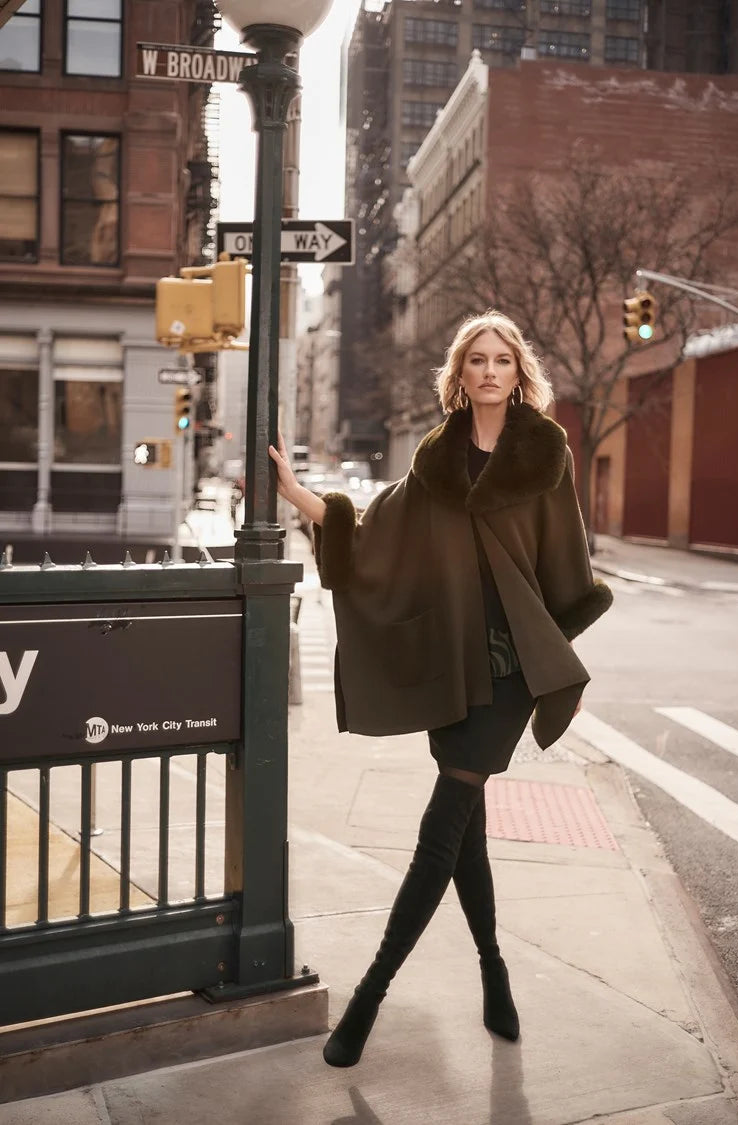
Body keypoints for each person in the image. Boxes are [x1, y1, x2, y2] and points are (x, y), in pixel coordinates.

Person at [269, 310, 613, 1068]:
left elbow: (567, 563)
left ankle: (368, 998)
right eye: (476, 360)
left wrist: (561, 665)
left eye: (501, 360)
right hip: (450, 664)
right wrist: (299, 496)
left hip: (514, 668)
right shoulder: (434, 465)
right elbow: (371, 532)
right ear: (459, 376)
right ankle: (495, 971)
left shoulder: (545, 455)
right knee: (468, 833)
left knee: (439, 829)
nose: (489, 371)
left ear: (518, 374)